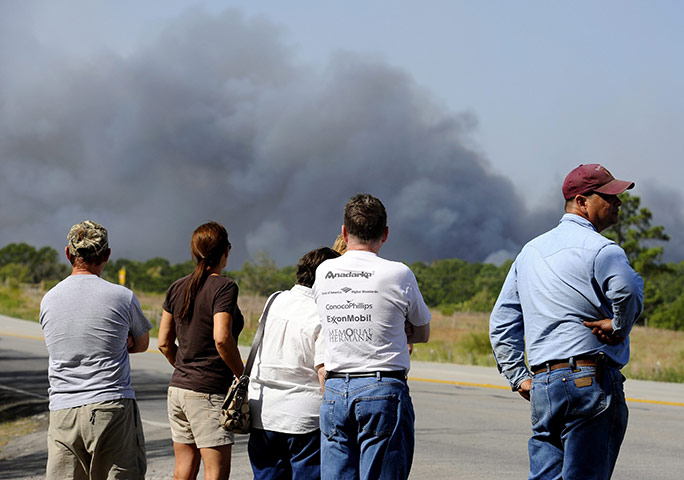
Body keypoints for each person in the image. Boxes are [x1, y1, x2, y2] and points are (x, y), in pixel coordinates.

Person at [489, 164, 644, 480]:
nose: (618, 203)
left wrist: (518, 376)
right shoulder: (603, 249)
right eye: (609, 196)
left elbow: (502, 322)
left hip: (545, 384)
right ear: (582, 201)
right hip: (591, 381)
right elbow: (627, 289)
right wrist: (618, 326)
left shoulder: (529, 252)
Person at [313, 193, 432, 480]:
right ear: (385, 234)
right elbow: (422, 331)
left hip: (335, 390)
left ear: (344, 232)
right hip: (381, 390)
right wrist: (401, 330)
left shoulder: (324, 271)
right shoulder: (398, 273)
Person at [40, 220, 151, 479]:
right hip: (110, 405)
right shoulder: (122, 296)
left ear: (68, 253)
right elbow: (143, 342)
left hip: (62, 409)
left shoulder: (49, 299)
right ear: (107, 256)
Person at [158, 221, 244, 480]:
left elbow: (163, 342)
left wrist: (185, 368)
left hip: (178, 390)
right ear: (226, 251)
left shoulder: (176, 286)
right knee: (216, 472)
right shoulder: (224, 287)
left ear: (194, 252)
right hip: (207, 393)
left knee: (183, 469)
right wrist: (241, 374)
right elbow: (221, 338)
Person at [247, 247, 341, 479]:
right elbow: (323, 372)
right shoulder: (322, 312)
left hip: (263, 412)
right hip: (303, 419)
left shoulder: (274, 300)